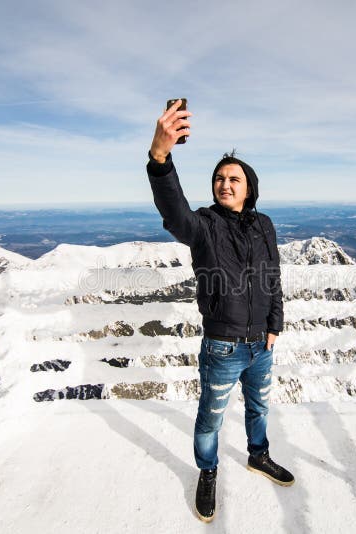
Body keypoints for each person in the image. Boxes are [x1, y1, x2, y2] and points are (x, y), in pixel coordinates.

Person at [147, 100, 294, 522]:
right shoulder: (203, 225)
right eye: (218, 178)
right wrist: (160, 159)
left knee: (259, 409)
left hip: (261, 345)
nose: (224, 184)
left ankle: (258, 455)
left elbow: (273, 277)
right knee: (210, 418)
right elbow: (173, 213)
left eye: (234, 178)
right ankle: (208, 473)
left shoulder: (264, 224)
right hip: (223, 346)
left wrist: (274, 325)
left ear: (250, 187)